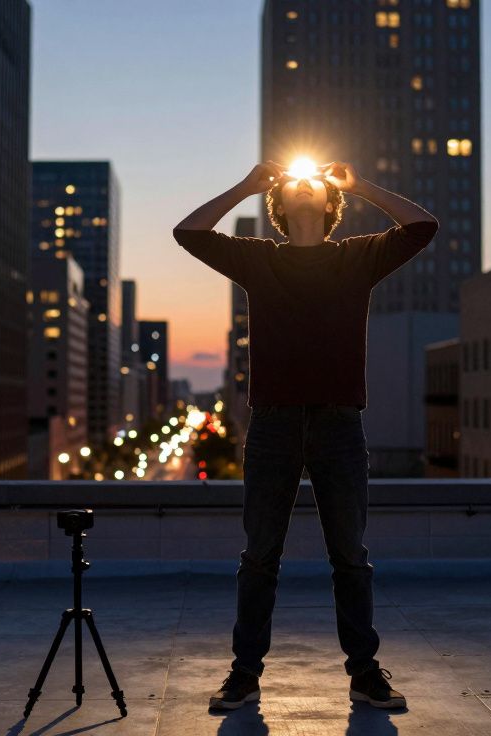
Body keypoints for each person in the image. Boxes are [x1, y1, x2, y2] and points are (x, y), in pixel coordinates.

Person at [173, 160, 439, 711]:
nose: (302, 184)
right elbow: (188, 232)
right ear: (278, 206)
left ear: (328, 204)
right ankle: (244, 675)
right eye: (292, 182)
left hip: (340, 423)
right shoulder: (258, 258)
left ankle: (365, 674)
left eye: (312, 181)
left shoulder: (356, 256)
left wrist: (360, 185)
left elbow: (422, 227)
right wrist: (246, 186)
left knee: (350, 556)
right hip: (272, 423)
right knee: (259, 557)